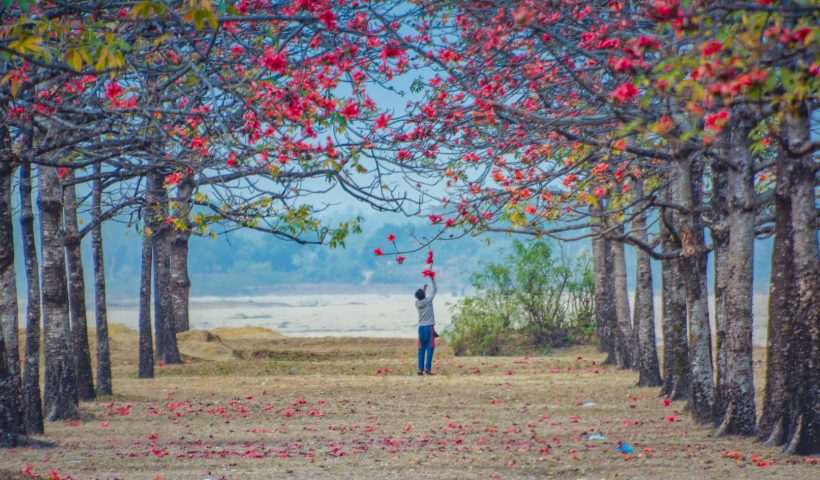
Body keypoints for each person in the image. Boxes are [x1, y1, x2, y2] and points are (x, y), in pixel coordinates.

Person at [415, 277, 438, 376]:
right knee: (430, 348)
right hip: (429, 328)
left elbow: (421, 299)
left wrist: (424, 290)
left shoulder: (416, 303)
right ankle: (427, 369)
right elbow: (435, 289)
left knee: (421, 348)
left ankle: (420, 369)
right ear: (424, 295)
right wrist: (432, 278)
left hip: (421, 328)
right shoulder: (428, 300)